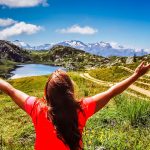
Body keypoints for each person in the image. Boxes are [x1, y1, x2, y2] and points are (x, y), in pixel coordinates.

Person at [0, 61, 149, 150]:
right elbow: (111, 92)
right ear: (70, 91)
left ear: (47, 93)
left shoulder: (36, 107)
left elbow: (11, 90)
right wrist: (136, 75)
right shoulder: (82, 108)